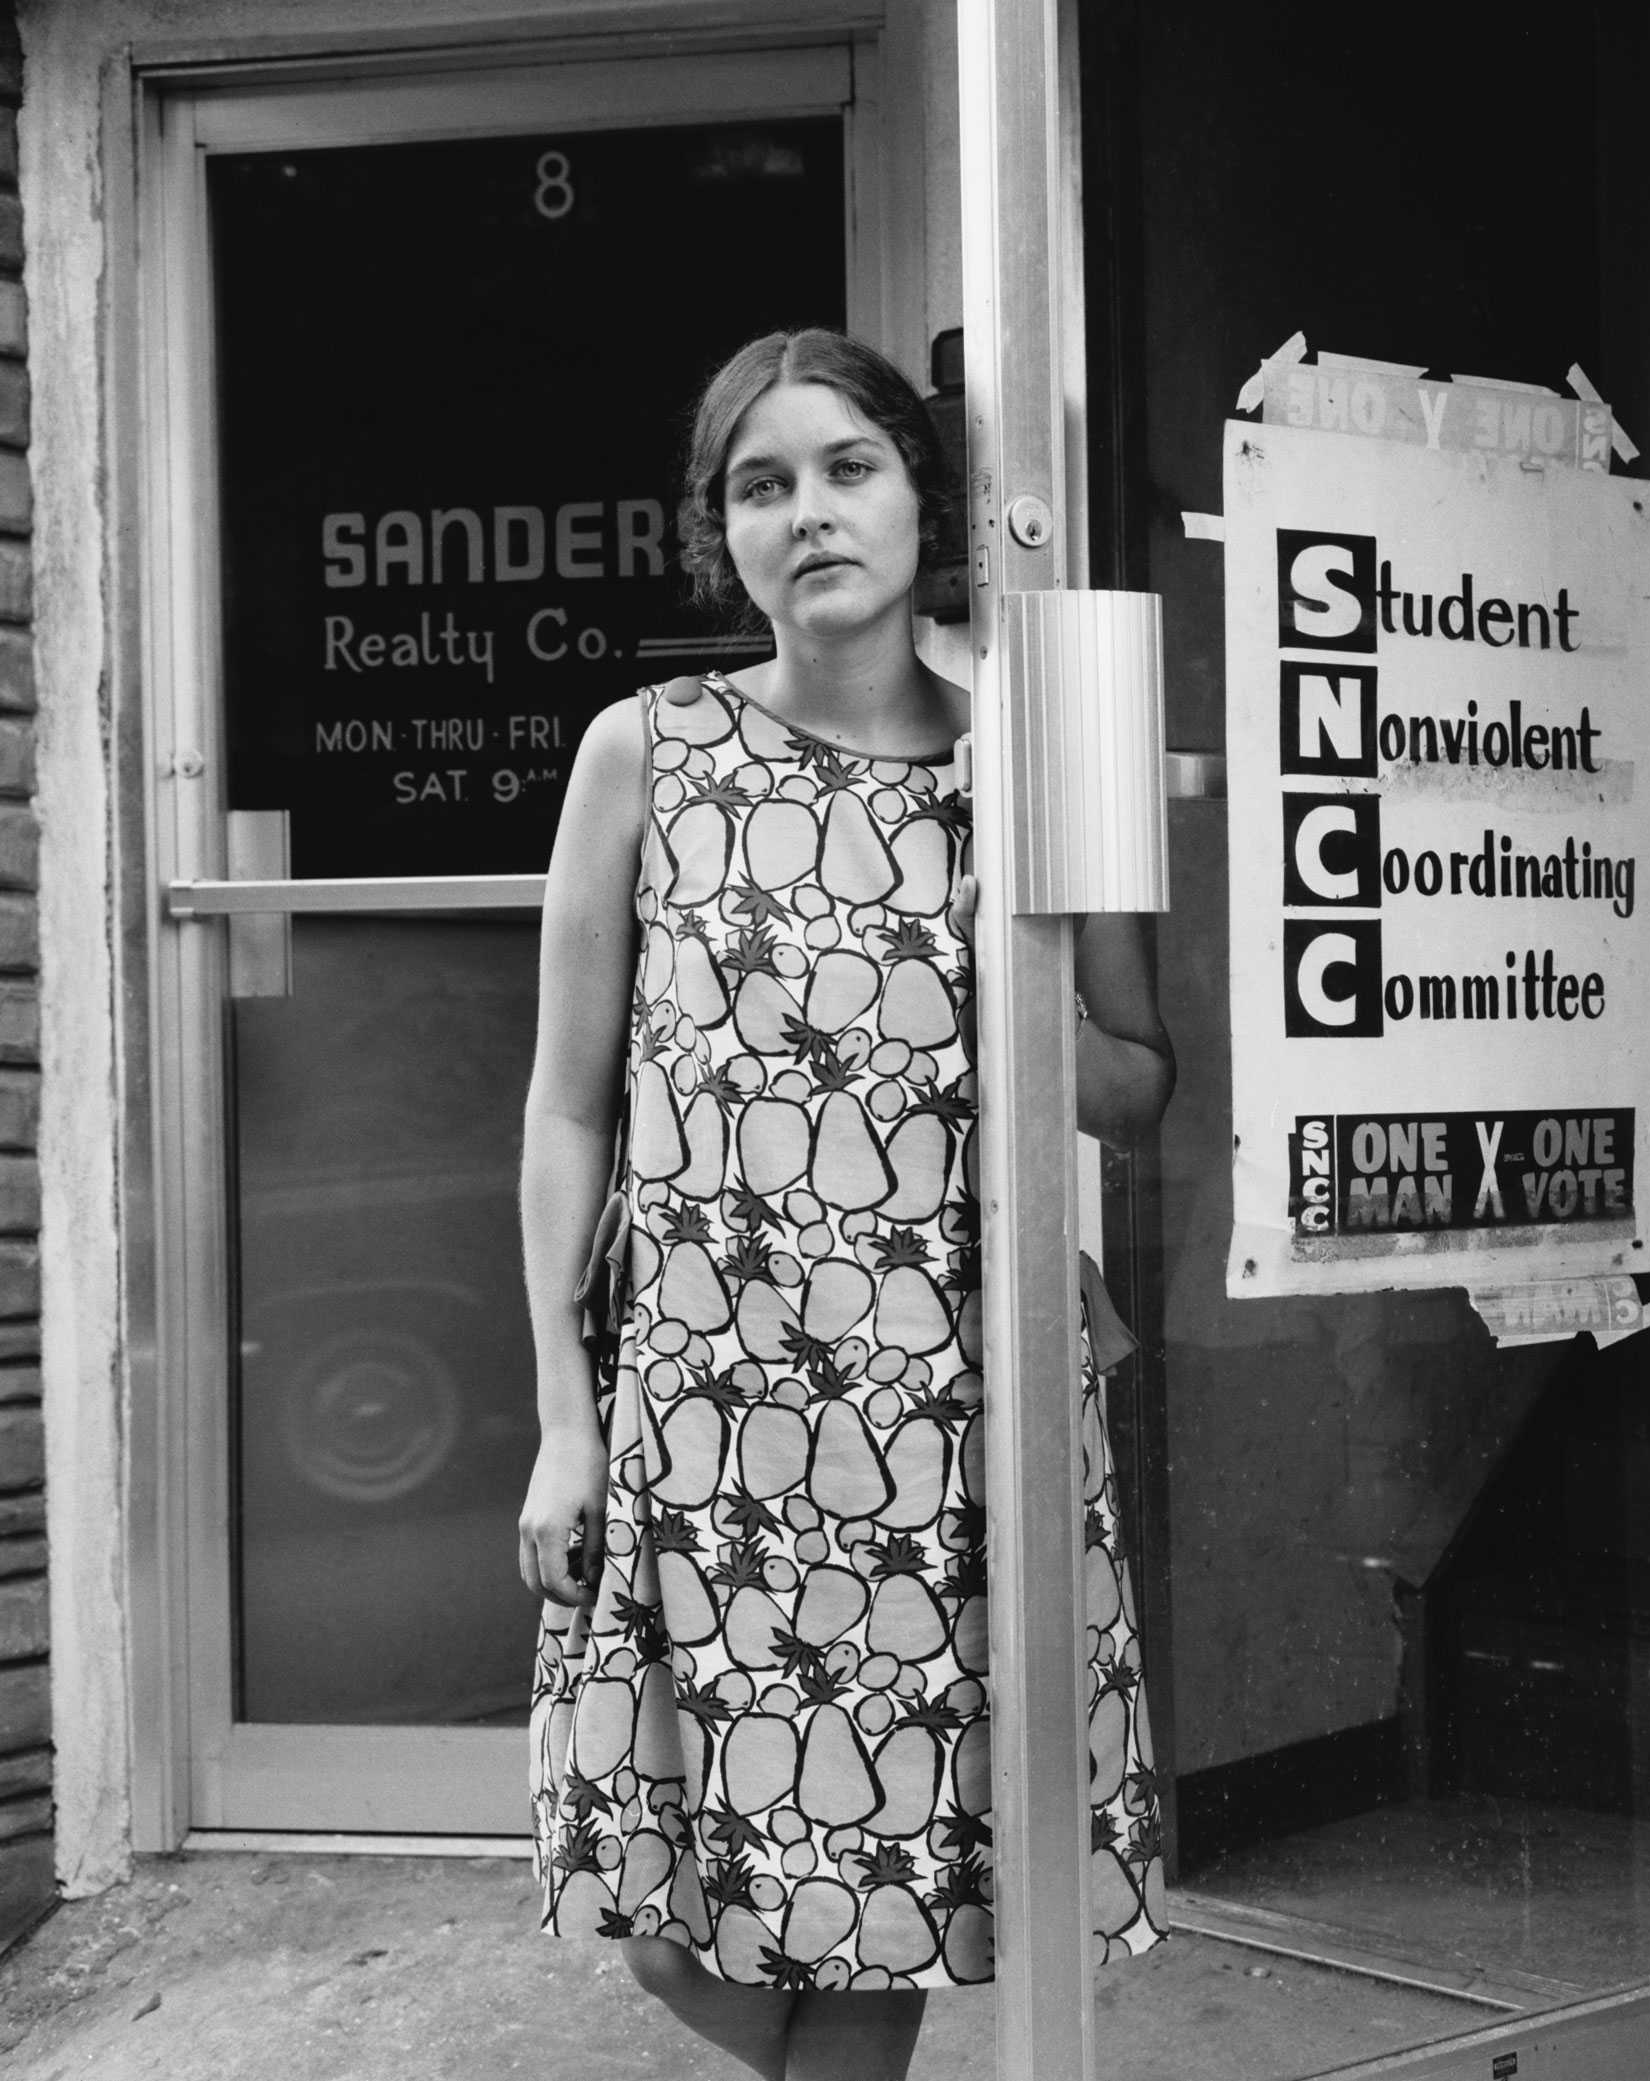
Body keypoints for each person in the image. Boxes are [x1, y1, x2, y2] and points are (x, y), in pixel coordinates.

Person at [517, 328, 1174, 2081]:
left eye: (848, 467)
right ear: (719, 529)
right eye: (762, 483)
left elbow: (1143, 1085)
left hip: (938, 1413)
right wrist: (562, 1423)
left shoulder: (1035, 762)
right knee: (666, 1923)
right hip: (701, 1420)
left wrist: (998, 962)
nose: (809, 512)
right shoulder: (642, 752)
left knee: (864, 1899)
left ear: (921, 495)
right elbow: (566, 1107)